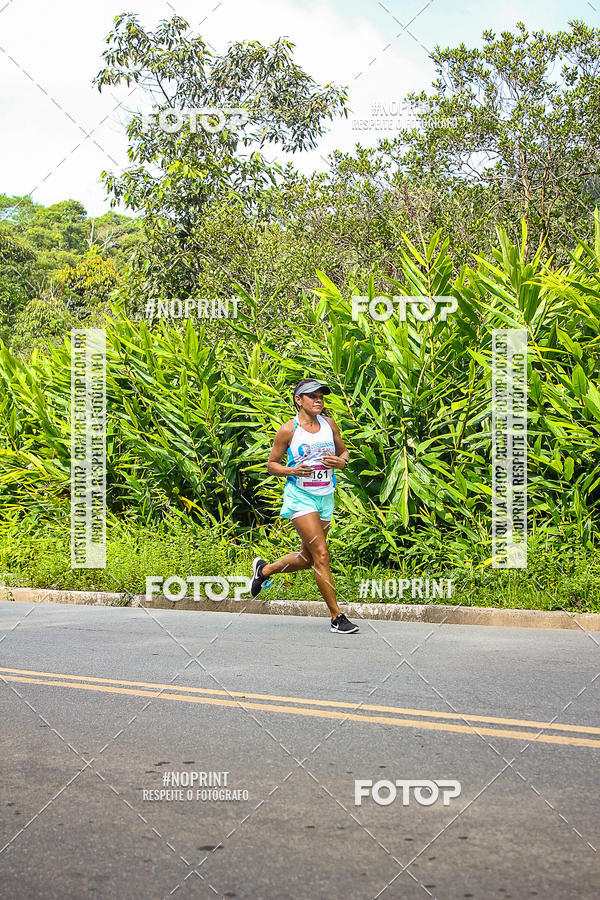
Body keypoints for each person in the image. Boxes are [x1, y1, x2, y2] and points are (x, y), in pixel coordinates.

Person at [250, 378, 359, 634]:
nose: (318, 399)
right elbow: (271, 465)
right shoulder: (289, 430)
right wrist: (292, 470)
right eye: (312, 396)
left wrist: (341, 463)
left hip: (325, 496)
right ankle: (337, 617)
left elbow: (344, 453)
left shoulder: (329, 424)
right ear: (299, 400)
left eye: (321, 395)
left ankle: (264, 570)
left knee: (307, 558)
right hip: (300, 497)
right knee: (321, 555)